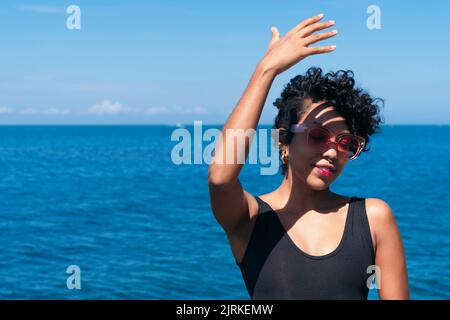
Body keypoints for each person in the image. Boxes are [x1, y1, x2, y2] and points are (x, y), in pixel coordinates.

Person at [207, 14, 409, 299]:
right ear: (283, 141)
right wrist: (266, 70)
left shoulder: (373, 219)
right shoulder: (251, 220)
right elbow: (220, 178)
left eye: (345, 142)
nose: (331, 151)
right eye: (317, 135)